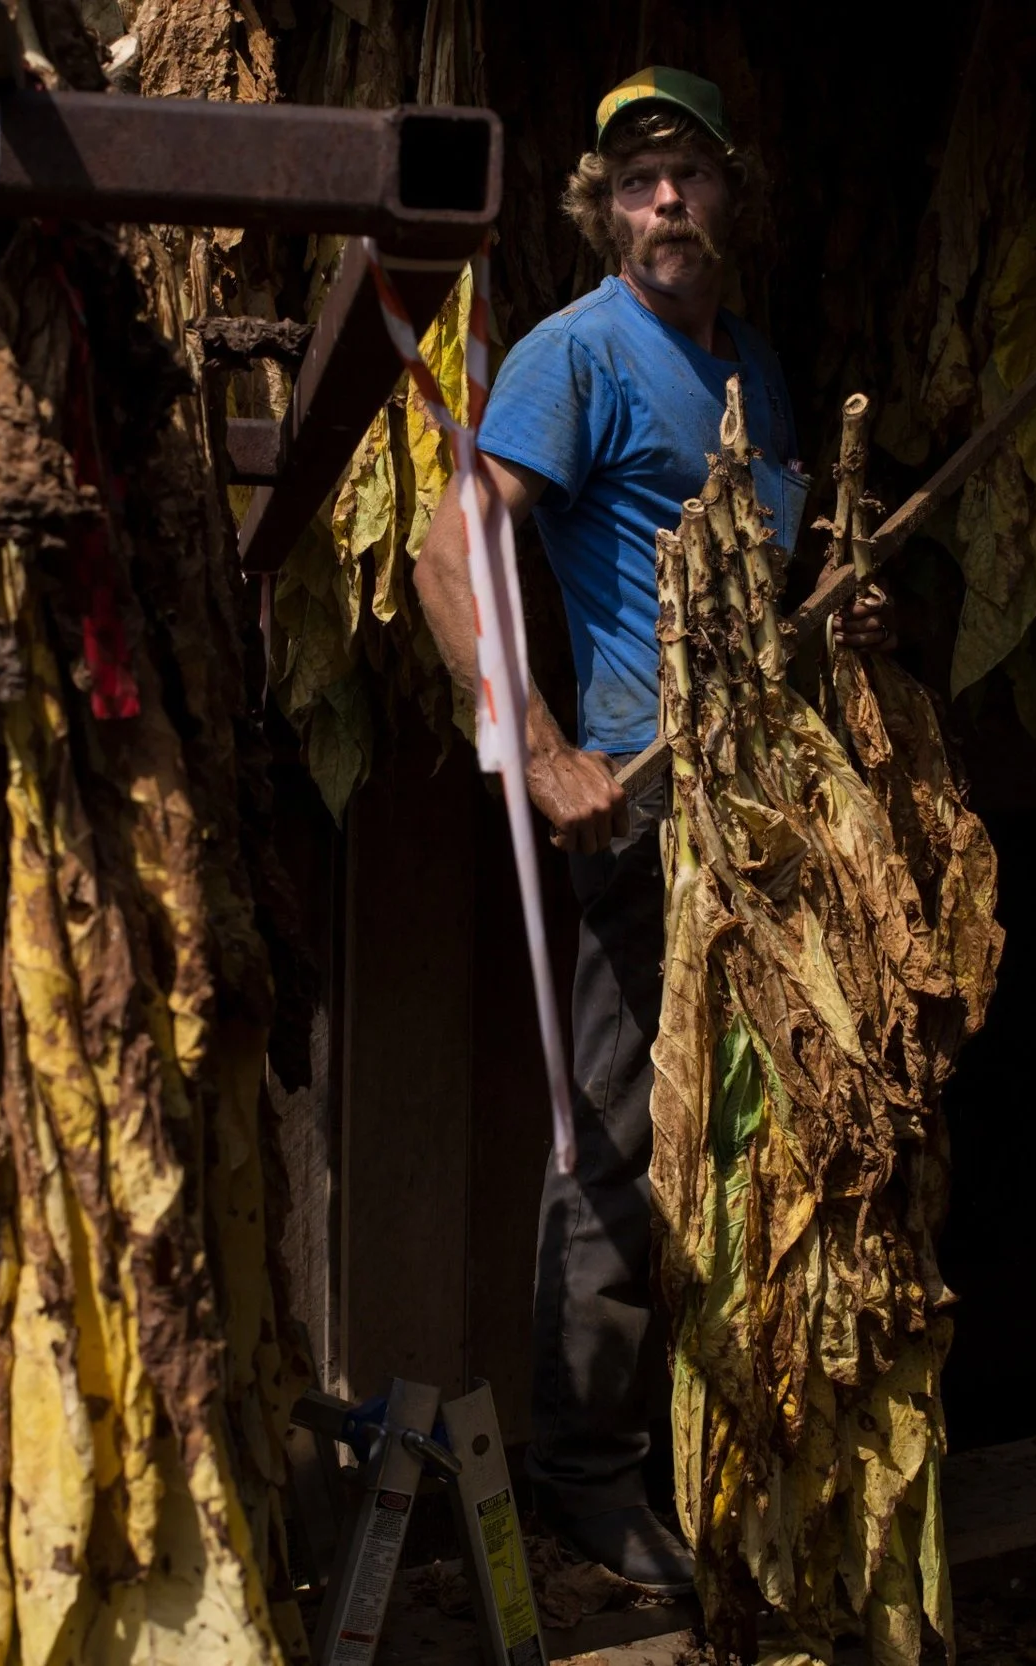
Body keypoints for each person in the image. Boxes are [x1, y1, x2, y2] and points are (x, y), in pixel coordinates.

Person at [412, 66, 890, 1593]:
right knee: (615, 1138)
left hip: (771, 823)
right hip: (646, 816)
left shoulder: (753, 368)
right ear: (600, 207)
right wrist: (540, 749)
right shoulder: (576, 354)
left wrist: (837, 603)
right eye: (635, 182)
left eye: (685, 172)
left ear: (730, 193)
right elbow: (447, 547)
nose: (664, 199)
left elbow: (771, 591)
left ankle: (731, 1457)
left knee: (768, 1143)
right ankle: (585, 1477)